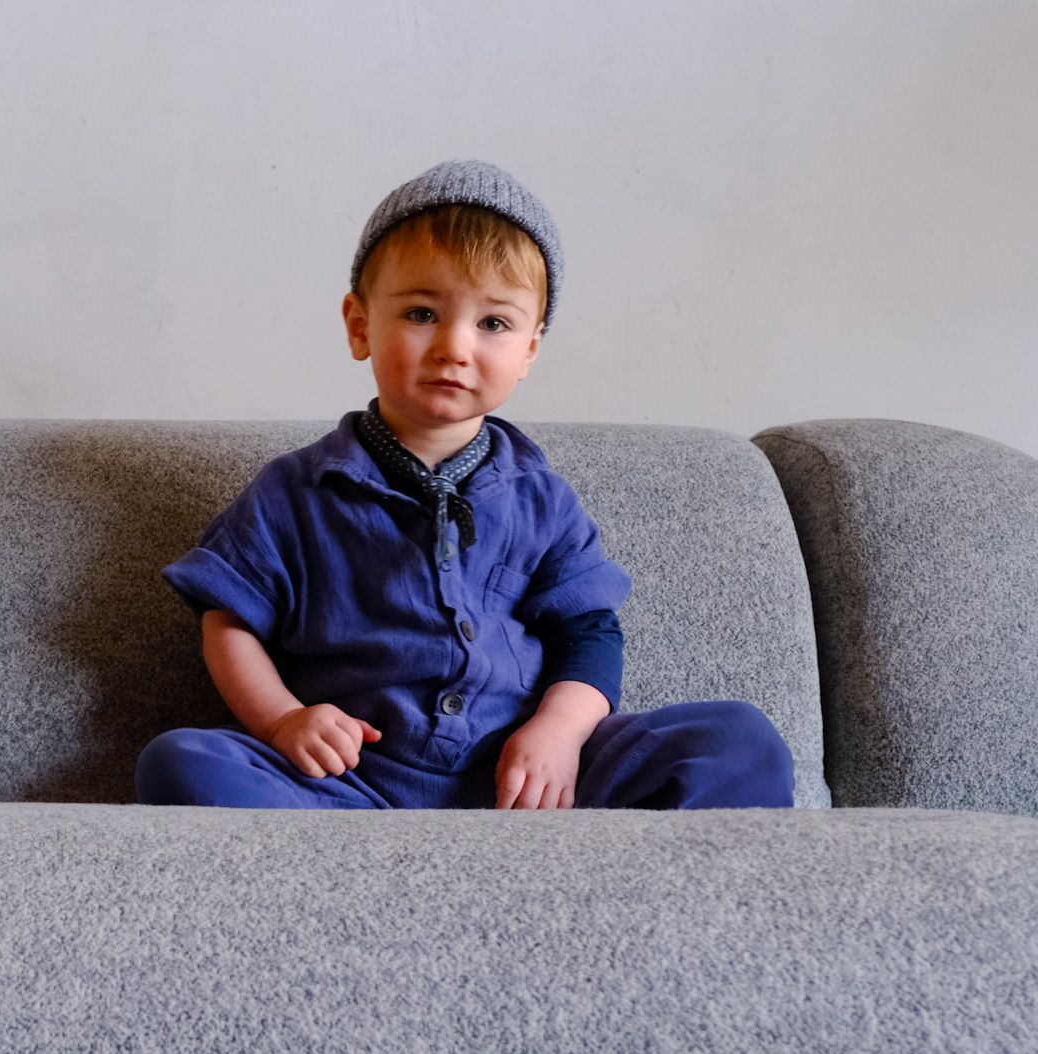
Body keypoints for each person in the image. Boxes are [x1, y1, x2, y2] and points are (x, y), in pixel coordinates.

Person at [137, 160, 793, 810]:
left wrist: (558, 735)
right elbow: (229, 621)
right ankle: (378, 879)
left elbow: (589, 634)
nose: (455, 346)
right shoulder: (295, 491)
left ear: (530, 350)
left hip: (524, 781)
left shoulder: (542, 497)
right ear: (360, 324)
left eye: (494, 324)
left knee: (739, 740)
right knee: (182, 762)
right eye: (422, 313)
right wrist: (283, 720)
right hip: (352, 785)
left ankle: (567, 880)